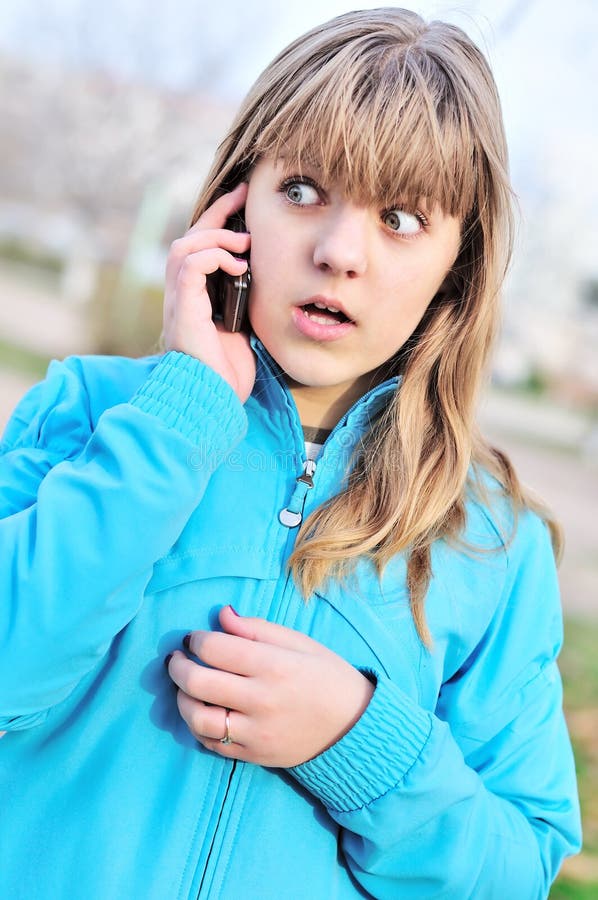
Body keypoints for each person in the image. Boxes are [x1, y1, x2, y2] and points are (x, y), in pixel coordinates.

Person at [0, 7, 581, 899]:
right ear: (235, 204)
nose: (338, 251)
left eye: (400, 217)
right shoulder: (90, 413)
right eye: (304, 190)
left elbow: (514, 872)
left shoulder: (491, 543)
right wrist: (176, 422)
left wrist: (359, 742)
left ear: (457, 269)